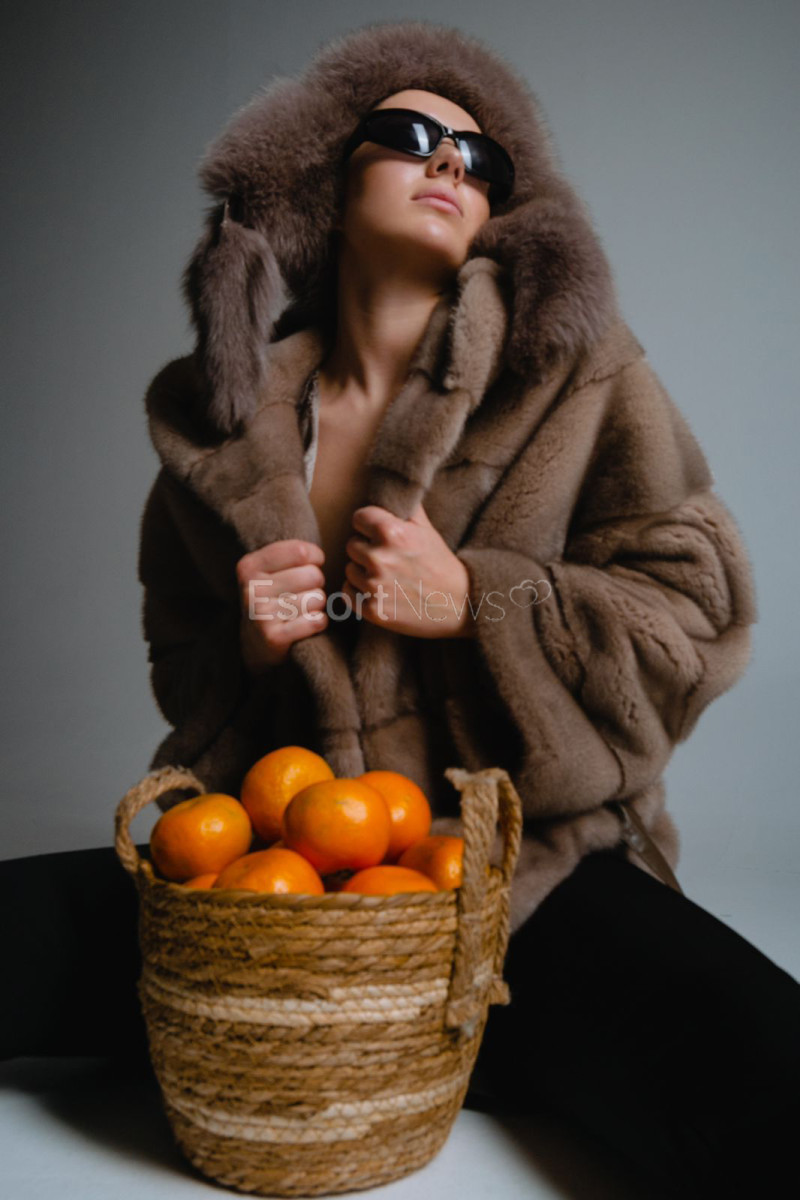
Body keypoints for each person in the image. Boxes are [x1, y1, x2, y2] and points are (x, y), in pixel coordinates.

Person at [2, 19, 798, 1199]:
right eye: (412, 135)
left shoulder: (578, 376)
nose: (449, 164)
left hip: (519, 894)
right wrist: (246, 647)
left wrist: (479, 600)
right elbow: (181, 667)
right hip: (276, 893)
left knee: (771, 1083)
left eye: (480, 160)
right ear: (324, 171)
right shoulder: (221, 428)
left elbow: (695, 612)